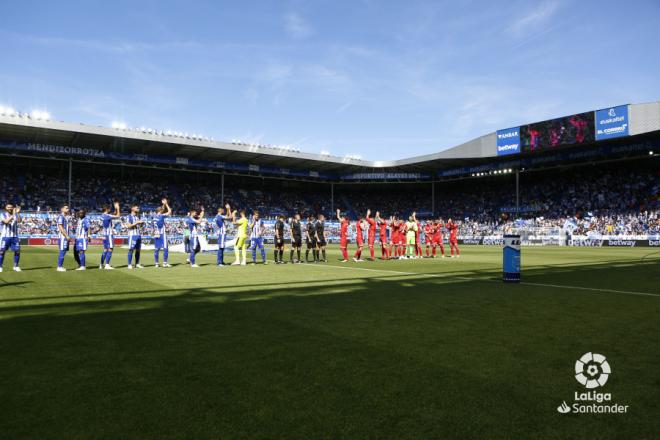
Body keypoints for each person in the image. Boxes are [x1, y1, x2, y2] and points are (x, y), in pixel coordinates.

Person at [0, 203, 21, 272]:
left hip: (15, 236)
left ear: (13, 208)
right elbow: (6, 221)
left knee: (17, 251)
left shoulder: (15, 214)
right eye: (8, 207)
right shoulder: (2, 214)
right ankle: (0, 266)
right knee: (2, 252)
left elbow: (19, 221)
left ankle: (16, 266)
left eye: (11, 207)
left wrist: (18, 213)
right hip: (5, 236)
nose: (10, 208)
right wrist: (14, 214)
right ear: (6, 208)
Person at [100, 201, 121, 269]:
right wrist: (118, 208)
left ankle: (101, 264)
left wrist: (115, 210)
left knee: (105, 249)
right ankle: (107, 265)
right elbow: (118, 216)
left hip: (103, 235)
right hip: (108, 235)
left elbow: (112, 215)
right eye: (109, 209)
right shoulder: (108, 216)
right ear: (107, 209)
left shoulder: (102, 216)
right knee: (110, 249)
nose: (110, 210)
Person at [126, 204, 146, 269]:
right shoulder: (129, 217)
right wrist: (137, 223)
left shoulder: (138, 217)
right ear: (132, 208)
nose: (138, 209)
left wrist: (142, 224)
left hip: (138, 235)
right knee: (131, 250)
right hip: (132, 235)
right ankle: (129, 264)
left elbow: (139, 226)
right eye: (137, 208)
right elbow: (128, 226)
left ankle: (137, 264)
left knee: (138, 250)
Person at [153, 198, 172, 268]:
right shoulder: (161, 216)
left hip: (156, 234)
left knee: (156, 249)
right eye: (162, 210)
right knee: (165, 248)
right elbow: (169, 211)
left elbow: (162, 210)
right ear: (160, 211)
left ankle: (156, 264)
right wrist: (166, 204)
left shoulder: (154, 217)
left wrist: (163, 204)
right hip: (162, 234)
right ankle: (165, 263)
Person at [56, 205, 71, 272]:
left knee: (64, 251)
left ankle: (60, 266)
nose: (68, 209)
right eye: (66, 208)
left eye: (68, 208)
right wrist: (66, 236)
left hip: (65, 237)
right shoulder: (61, 217)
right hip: (63, 237)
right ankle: (59, 266)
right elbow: (60, 227)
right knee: (62, 251)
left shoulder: (65, 217)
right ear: (62, 209)